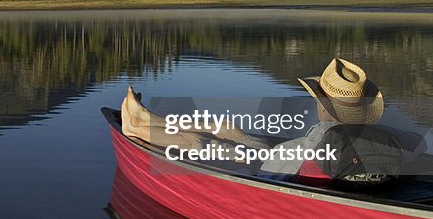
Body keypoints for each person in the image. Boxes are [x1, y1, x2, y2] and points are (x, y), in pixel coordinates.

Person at [122, 57, 387, 179]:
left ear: (325, 106)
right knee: (227, 127)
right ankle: (147, 116)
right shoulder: (360, 132)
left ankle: (135, 125)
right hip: (278, 157)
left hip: (267, 170)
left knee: (198, 143)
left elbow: (288, 167)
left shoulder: (328, 138)